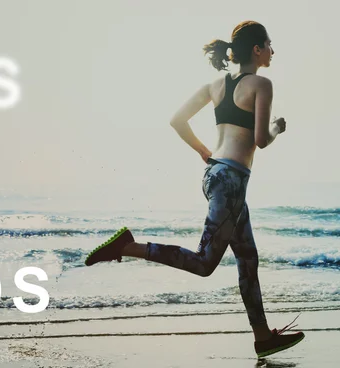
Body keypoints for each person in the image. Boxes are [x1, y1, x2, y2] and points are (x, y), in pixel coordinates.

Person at [84, 20, 305, 358]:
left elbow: (177, 120)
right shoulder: (262, 84)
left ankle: (263, 337)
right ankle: (128, 247)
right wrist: (276, 127)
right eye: (270, 44)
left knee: (247, 257)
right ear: (257, 49)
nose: (273, 51)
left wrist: (205, 152)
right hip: (231, 181)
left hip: (217, 175)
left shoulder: (215, 85)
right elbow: (260, 140)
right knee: (205, 263)